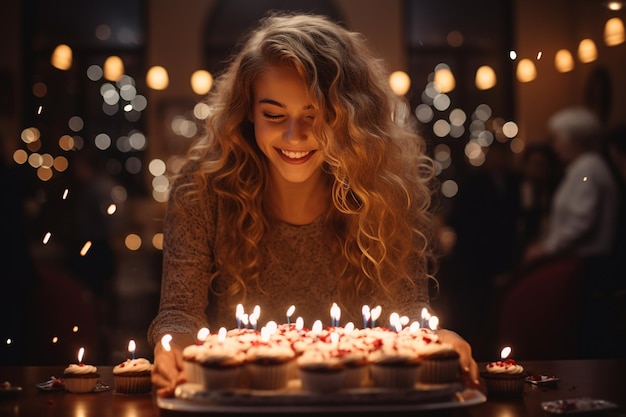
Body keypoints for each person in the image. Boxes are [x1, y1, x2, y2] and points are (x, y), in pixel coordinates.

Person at [147, 12, 479, 397]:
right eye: (274, 115)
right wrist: (173, 348)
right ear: (248, 112)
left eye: (316, 116)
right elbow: (179, 313)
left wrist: (436, 340)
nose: (295, 136)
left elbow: (409, 317)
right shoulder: (201, 187)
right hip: (242, 399)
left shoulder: (386, 190)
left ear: (350, 118)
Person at [522, 106, 620, 357]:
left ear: (575, 138)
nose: (555, 146)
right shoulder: (583, 168)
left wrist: (547, 249)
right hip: (582, 264)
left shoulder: (588, 169)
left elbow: (581, 221)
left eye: (558, 139)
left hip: (589, 266)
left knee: (584, 335)